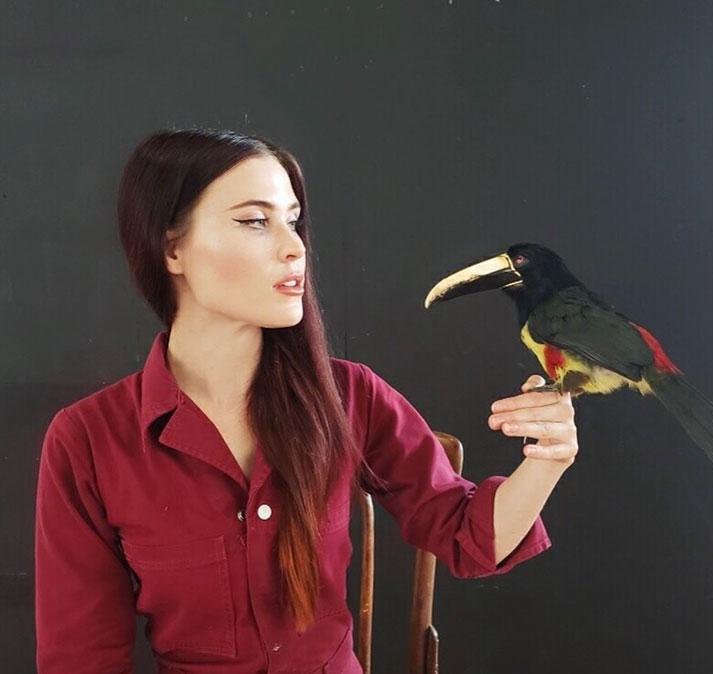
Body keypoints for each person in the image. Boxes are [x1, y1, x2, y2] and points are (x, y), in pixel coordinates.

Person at [33, 127, 578, 673]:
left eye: (293, 221)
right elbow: (81, 658)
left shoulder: (350, 395)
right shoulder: (87, 440)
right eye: (255, 221)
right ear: (171, 247)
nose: (295, 247)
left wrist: (546, 460)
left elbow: (468, 537)